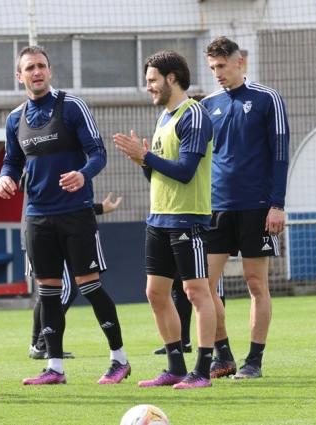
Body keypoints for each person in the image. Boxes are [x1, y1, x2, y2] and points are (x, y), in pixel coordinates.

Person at [0, 45, 130, 385]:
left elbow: (98, 153)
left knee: (89, 286)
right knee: (48, 292)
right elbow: (12, 160)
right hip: (37, 217)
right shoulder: (15, 119)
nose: (36, 72)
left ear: (50, 71)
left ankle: (119, 360)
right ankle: (54, 367)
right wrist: (4, 177)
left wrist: (83, 174)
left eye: (41, 66)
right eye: (30, 68)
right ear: (19, 76)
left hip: (75, 214)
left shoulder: (71, 106)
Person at [113, 49, 216, 389]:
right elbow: (159, 177)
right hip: (159, 218)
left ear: (172, 78)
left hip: (187, 219)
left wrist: (147, 157)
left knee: (196, 291)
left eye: (152, 80)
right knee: (155, 293)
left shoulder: (194, 114)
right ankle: (174, 367)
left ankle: (202, 370)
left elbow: (185, 172)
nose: (149, 87)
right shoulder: (164, 119)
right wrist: (144, 162)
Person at [201, 36, 290, 379]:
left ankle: (254, 360)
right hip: (217, 207)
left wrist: (277, 205)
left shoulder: (267, 99)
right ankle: (222, 354)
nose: (217, 73)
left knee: (256, 284)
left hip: (257, 208)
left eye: (222, 66)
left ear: (241, 62)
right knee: (203, 285)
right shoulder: (207, 104)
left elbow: (280, 153)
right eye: (212, 68)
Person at [28, 192, 122, 360]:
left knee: (48, 292)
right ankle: (43, 345)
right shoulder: (38, 172)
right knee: (62, 290)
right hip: (46, 230)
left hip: (36, 229)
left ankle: (38, 345)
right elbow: (59, 202)